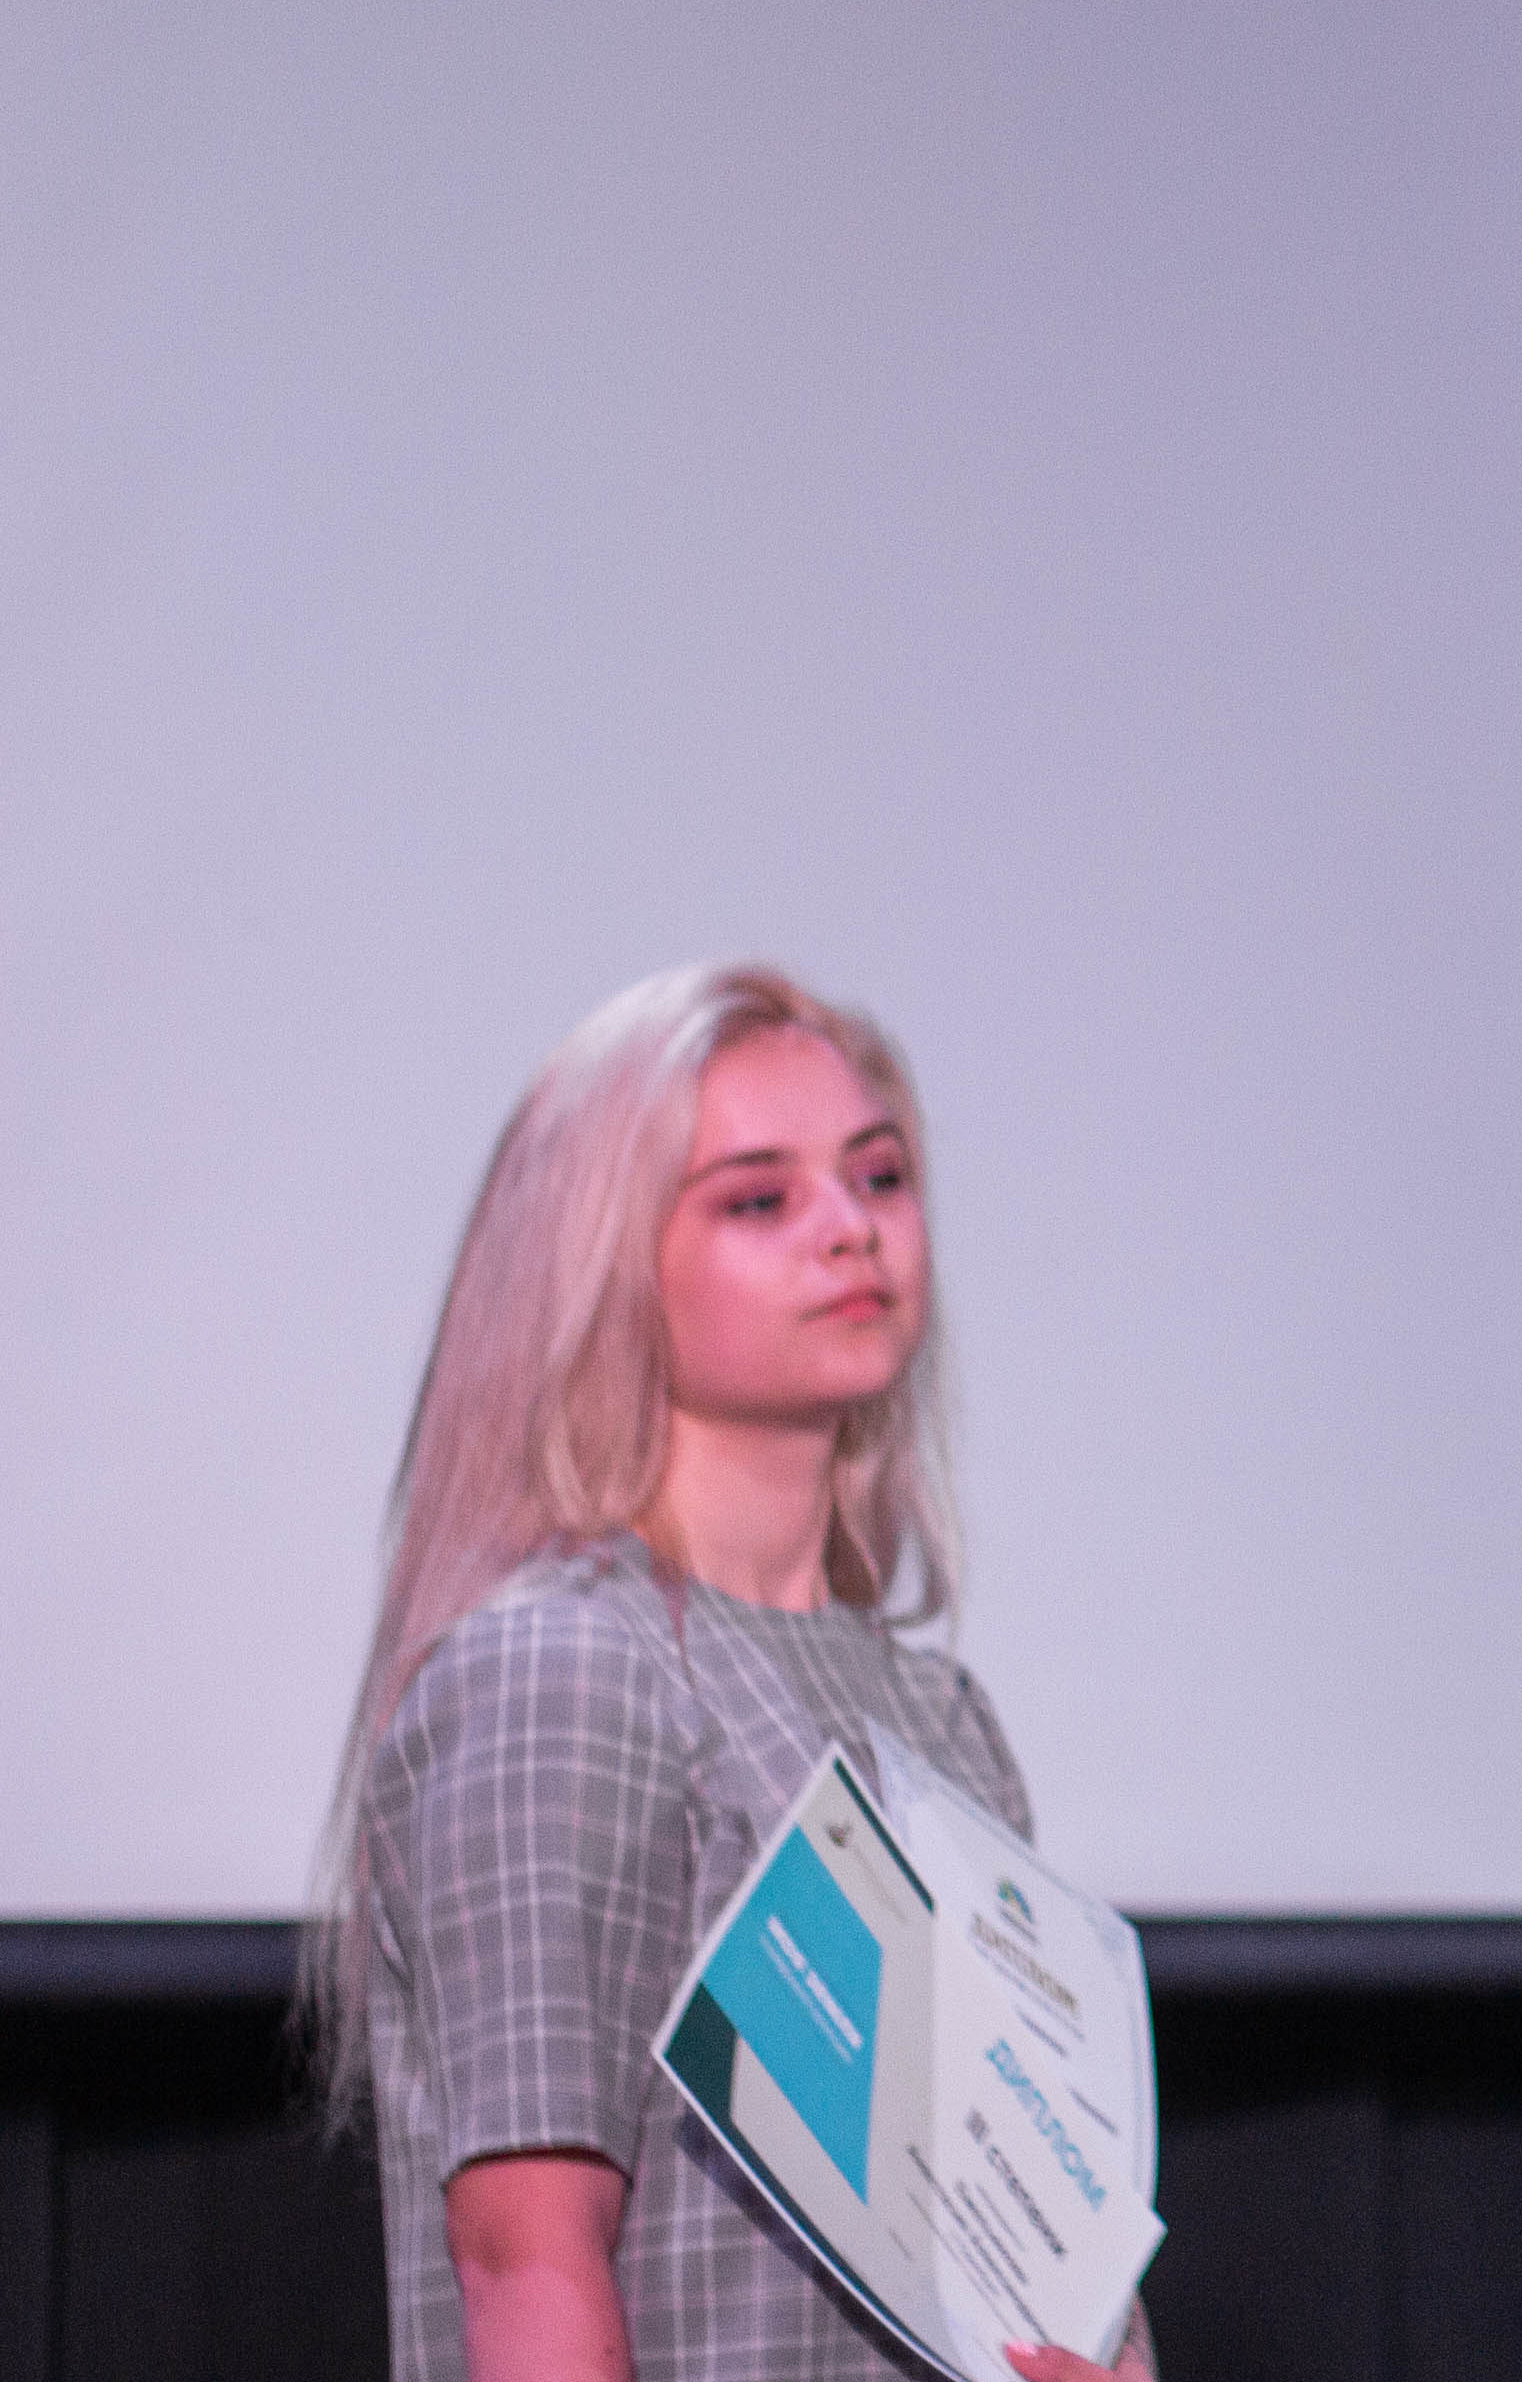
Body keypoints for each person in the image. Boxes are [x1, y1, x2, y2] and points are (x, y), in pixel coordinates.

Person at [311, 963, 1143, 2382]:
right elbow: (528, 2262)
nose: (850, 1227)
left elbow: (1049, 2260)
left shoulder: (945, 1720)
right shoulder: (564, 1674)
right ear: (603, 1263)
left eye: (879, 1176)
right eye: (759, 1200)